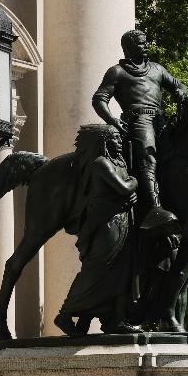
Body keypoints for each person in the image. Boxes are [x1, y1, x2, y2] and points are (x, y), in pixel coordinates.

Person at [92, 29, 188, 232]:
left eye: (146, 42)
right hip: (138, 119)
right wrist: (112, 120)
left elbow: (179, 85)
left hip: (160, 119)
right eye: (141, 43)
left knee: (182, 152)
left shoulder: (157, 69)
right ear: (128, 48)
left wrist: (180, 90)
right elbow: (99, 99)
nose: (146, 46)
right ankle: (155, 209)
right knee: (148, 156)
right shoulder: (117, 72)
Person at [54, 124, 144, 336]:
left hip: (122, 219)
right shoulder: (100, 164)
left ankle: (116, 319)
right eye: (113, 138)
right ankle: (66, 313)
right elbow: (123, 187)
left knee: (123, 269)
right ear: (103, 141)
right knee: (98, 268)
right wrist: (134, 181)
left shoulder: (118, 162)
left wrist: (130, 192)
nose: (118, 142)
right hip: (106, 223)